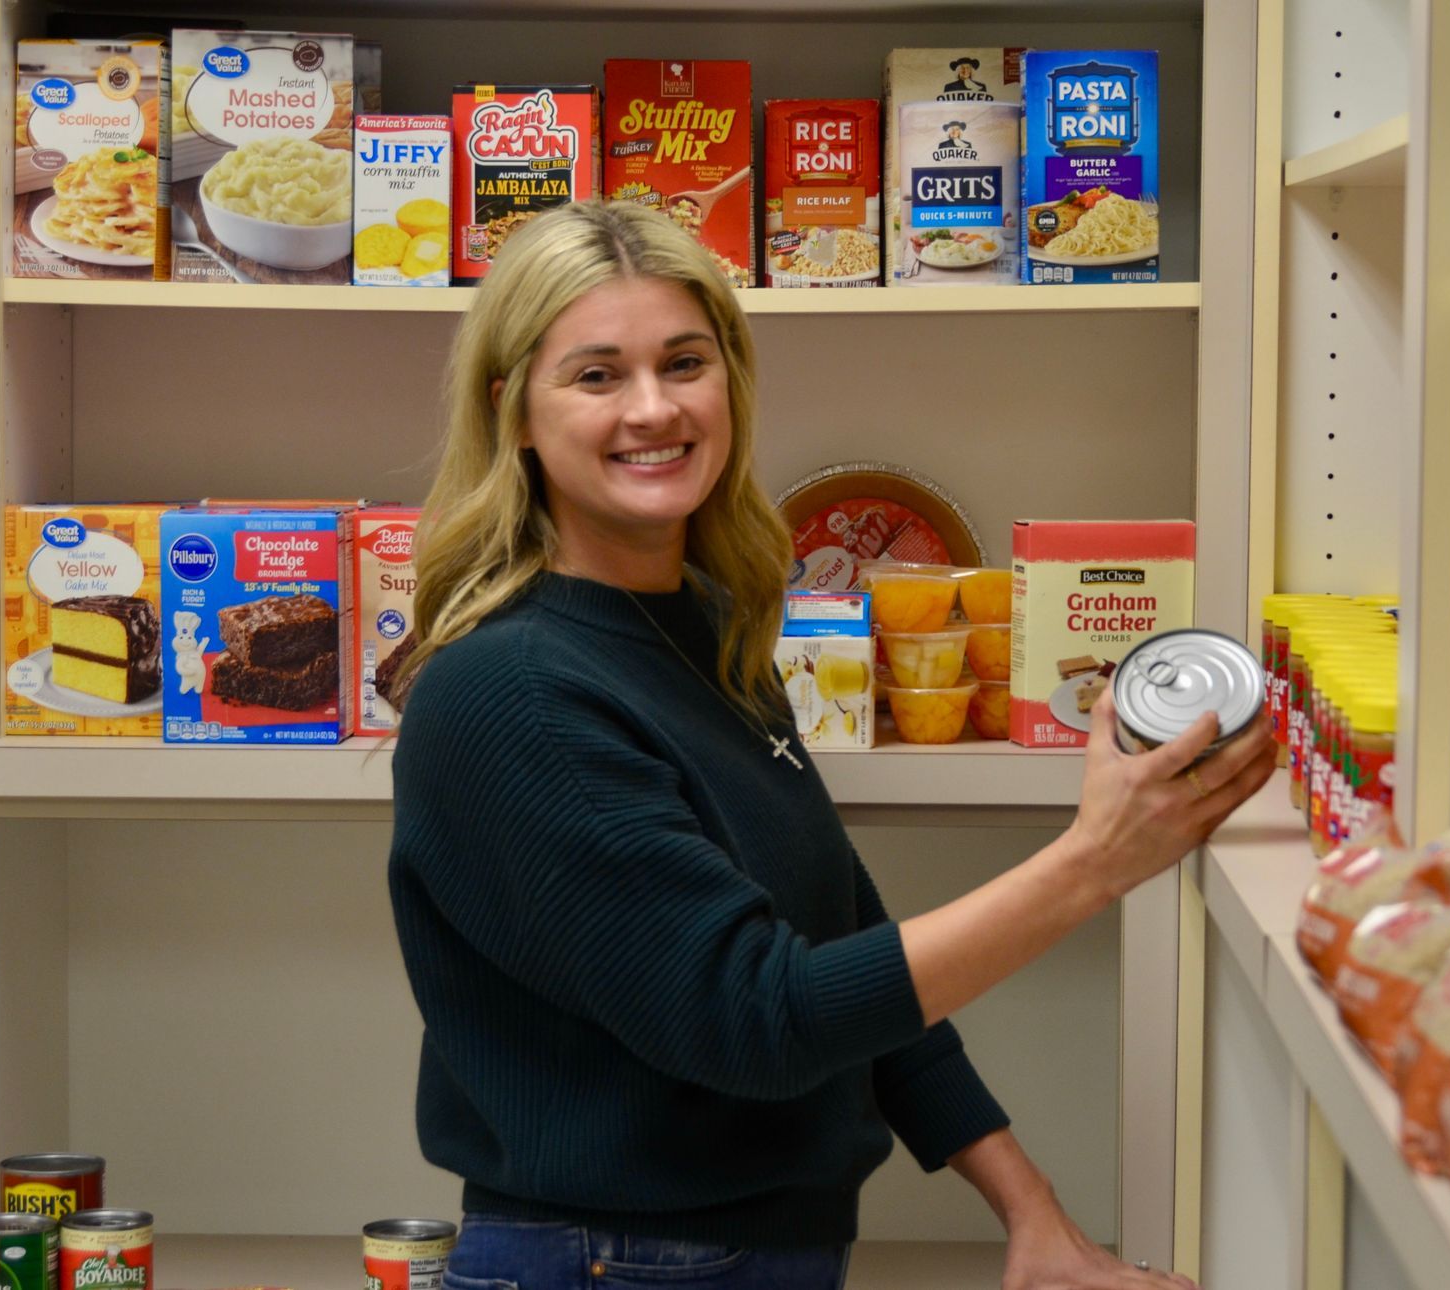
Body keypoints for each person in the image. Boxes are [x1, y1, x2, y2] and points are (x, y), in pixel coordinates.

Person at [387, 199, 1277, 1290]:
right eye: (596, 375)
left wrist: (1032, 1214)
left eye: (684, 362)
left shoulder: (706, 625)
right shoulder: (511, 692)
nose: (653, 408)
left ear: (732, 382)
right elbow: (761, 1017)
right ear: (514, 409)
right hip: (610, 1263)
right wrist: (1097, 863)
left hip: (741, 1255)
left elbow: (846, 947)